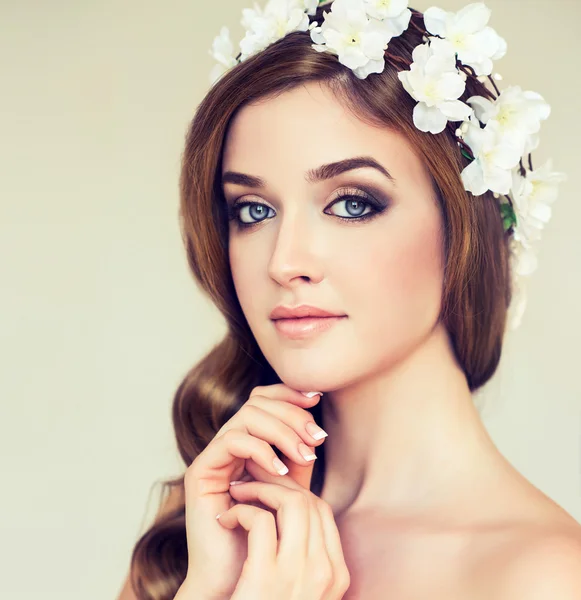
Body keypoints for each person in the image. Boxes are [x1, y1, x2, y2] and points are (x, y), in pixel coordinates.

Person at [117, 1, 580, 599]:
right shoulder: (209, 524)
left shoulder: (544, 577)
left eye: (353, 204)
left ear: (463, 228)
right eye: (253, 211)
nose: (284, 262)